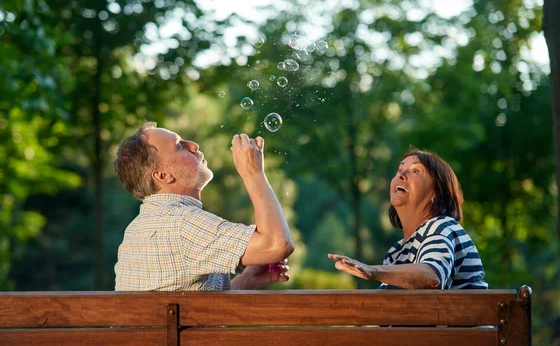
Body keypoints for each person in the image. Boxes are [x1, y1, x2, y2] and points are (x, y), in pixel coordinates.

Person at [113, 121, 294, 291]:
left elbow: (190, 310)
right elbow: (277, 245)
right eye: (178, 146)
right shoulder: (183, 223)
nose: (193, 145)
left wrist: (246, 280)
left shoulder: (137, 229)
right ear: (162, 175)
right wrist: (253, 172)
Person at [328, 148, 487, 290]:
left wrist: (372, 270)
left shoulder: (441, 226)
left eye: (416, 171)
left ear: (436, 193)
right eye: (400, 169)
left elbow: (431, 275)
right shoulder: (398, 251)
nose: (401, 175)